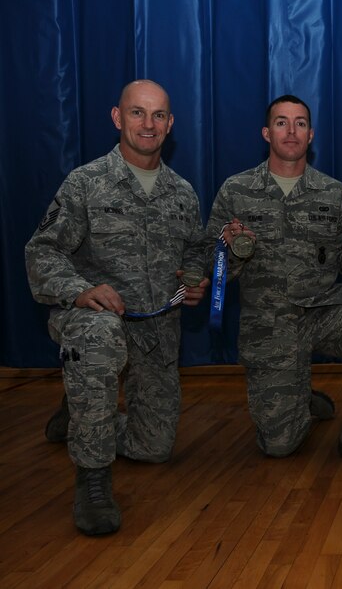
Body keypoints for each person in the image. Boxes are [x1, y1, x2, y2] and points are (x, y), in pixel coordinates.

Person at [24, 80, 210, 536]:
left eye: (158, 115)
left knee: (154, 448)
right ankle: (92, 481)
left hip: (156, 329)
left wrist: (194, 278)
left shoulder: (182, 192)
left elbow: (196, 251)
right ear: (116, 117)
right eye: (137, 113)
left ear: (170, 124)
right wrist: (79, 289)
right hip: (94, 320)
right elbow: (41, 251)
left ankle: (82, 409)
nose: (148, 124)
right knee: (100, 335)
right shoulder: (86, 183)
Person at [207, 95, 342, 470]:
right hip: (270, 326)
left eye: (300, 123)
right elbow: (210, 263)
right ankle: (298, 394)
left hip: (325, 312)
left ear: (311, 134)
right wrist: (230, 250)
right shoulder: (236, 191)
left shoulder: (333, 193)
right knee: (279, 446)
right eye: (282, 123)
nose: (291, 131)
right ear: (267, 133)